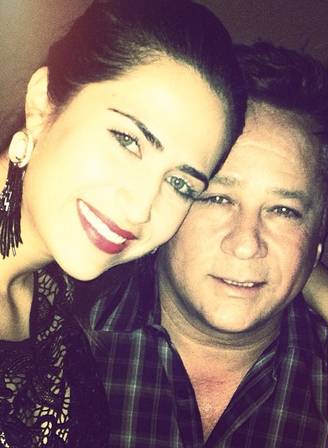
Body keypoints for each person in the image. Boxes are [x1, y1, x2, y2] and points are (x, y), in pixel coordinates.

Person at [90, 42, 328, 446]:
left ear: (319, 239)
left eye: (283, 211)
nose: (245, 244)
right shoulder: (61, 330)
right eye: (217, 198)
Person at [0, 0, 247, 446]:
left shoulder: (58, 282)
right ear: (43, 102)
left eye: (180, 184)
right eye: (128, 140)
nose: (139, 209)